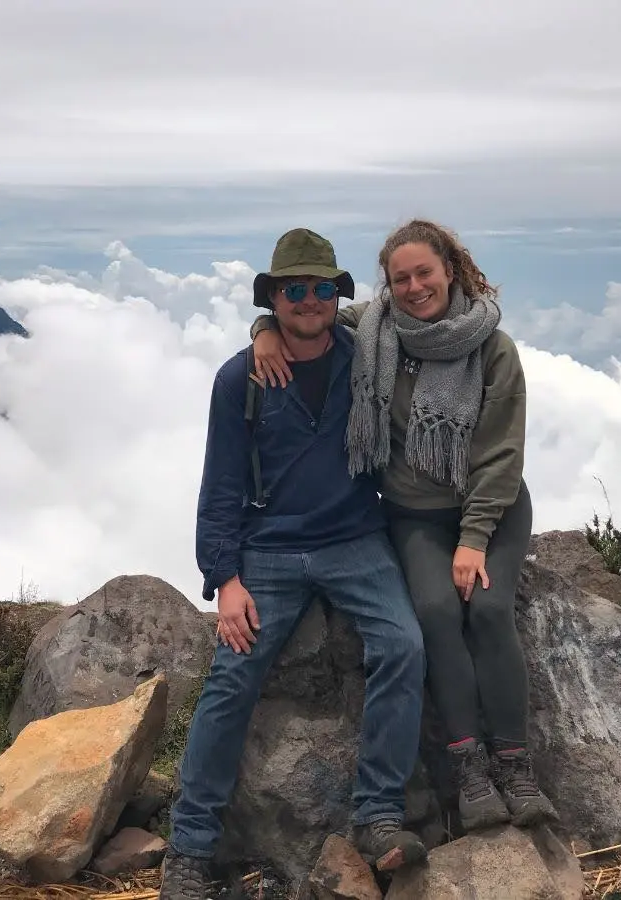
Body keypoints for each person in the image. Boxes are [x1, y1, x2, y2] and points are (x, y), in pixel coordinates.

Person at [249, 219, 558, 833]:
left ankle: (515, 765)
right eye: (401, 277)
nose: (415, 286)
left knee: (491, 610)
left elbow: (502, 454)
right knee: (437, 614)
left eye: (425, 272)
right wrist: (262, 331)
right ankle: (469, 766)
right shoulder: (376, 328)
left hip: (490, 507)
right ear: (387, 287)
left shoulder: (493, 347)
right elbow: (306, 314)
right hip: (415, 513)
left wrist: (473, 541)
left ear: (451, 269)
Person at [160, 228, 428, 900]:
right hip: (269, 550)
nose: (308, 301)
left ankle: (379, 815)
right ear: (274, 297)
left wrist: (263, 329)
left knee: (402, 645)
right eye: (292, 290)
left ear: (337, 294)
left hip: (354, 537)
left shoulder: (363, 354)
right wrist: (225, 580)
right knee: (231, 678)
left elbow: (429, 315)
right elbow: (220, 486)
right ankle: (189, 849)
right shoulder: (238, 379)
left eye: (320, 288)